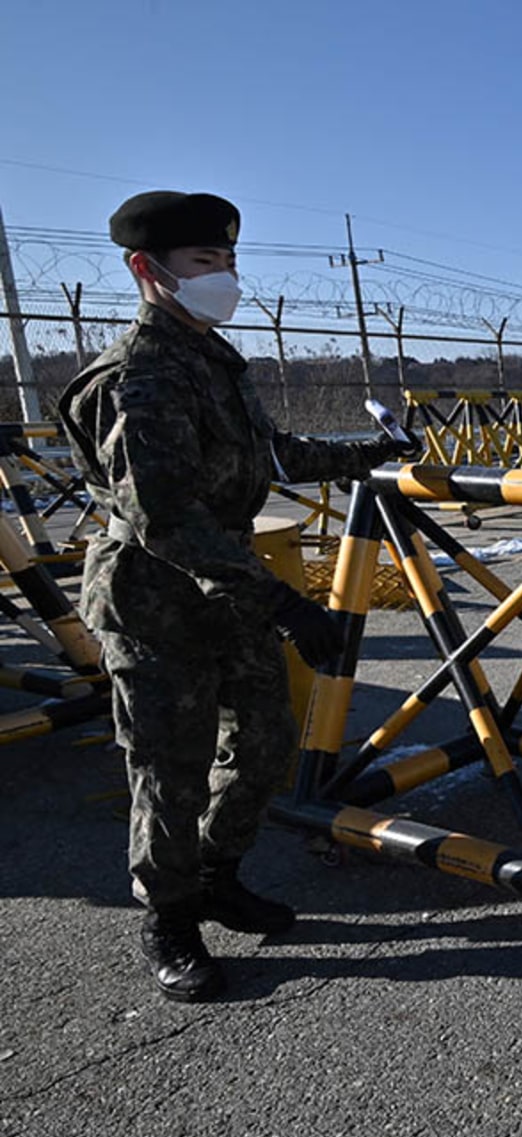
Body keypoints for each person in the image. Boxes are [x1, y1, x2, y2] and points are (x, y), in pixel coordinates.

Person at [58, 191, 411, 1002]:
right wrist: (285, 604)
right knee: (168, 770)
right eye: (204, 263)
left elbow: (268, 455)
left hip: (227, 594)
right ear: (149, 272)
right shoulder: (141, 378)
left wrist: (369, 456)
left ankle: (217, 875)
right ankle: (168, 919)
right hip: (156, 601)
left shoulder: (211, 359)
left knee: (262, 743)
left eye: (228, 262)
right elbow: (163, 518)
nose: (224, 276)